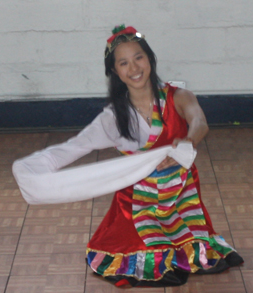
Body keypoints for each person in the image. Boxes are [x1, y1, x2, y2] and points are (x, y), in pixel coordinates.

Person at [13, 25, 243, 287]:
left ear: (150, 59)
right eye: (123, 63)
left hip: (180, 198)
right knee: (146, 261)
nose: (134, 68)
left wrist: (186, 143)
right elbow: (72, 148)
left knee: (194, 253)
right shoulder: (112, 119)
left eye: (138, 58)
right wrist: (32, 169)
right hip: (138, 206)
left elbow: (200, 122)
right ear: (114, 71)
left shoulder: (177, 96)